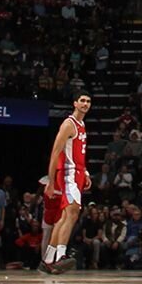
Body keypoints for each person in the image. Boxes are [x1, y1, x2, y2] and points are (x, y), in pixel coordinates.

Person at [42, 94, 92, 273]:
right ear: (75, 104)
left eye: (88, 101)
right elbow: (55, 153)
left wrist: (85, 172)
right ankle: (61, 256)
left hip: (77, 174)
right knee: (72, 213)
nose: (85, 104)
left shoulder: (82, 125)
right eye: (82, 101)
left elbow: (78, 154)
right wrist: (50, 181)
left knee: (64, 217)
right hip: (68, 175)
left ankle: (48, 259)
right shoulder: (68, 124)